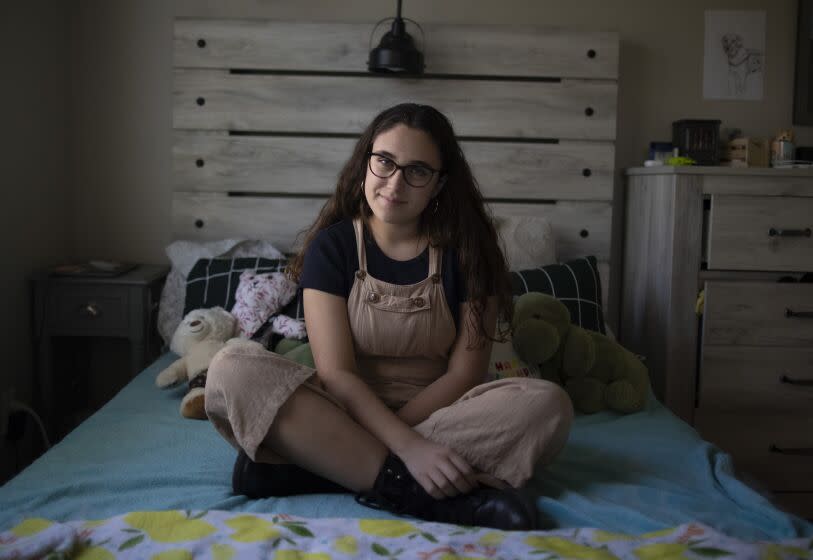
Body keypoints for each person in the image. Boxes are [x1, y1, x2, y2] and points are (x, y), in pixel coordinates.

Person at [204, 103, 573, 530]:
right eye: (385, 162)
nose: (395, 184)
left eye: (417, 171)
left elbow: (465, 376)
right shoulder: (333, 247)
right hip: (339, 410)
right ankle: (411, 488)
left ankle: (316, 464)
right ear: (366, 163)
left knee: (548, 406)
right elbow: (338, 375)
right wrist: (408, 450)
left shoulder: (470, 254)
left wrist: (409, 438)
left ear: (438, 185)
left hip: (441, 414)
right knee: (231, 368)